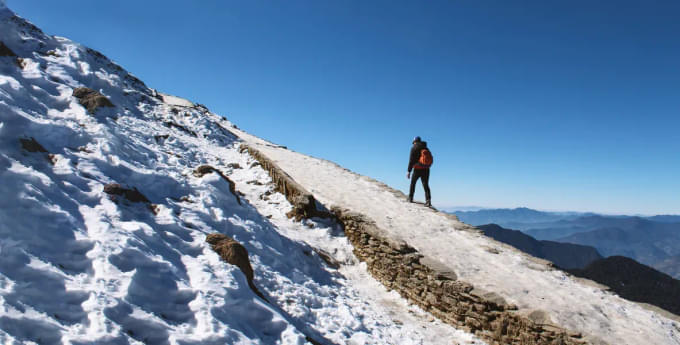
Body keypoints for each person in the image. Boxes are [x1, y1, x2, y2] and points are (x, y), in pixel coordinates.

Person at [407, 136, 432, 206]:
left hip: (417, 168)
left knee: (413, 183)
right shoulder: (426, 148)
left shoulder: (414, 148)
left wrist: (409, 171)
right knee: (425, 184)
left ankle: (410, 198)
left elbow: (411, 160)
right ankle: (428, 200)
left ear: (414, 141)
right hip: (426, 169)